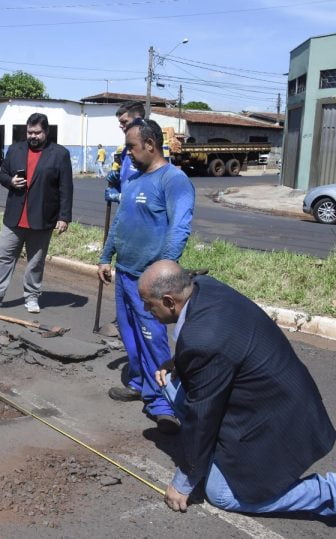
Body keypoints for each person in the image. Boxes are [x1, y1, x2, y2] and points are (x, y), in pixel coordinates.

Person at [138, 260, 336, 516]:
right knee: (170, 382)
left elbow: (202, 416)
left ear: (168, 301)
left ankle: (329, 492)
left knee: (222, 494)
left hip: (278, 418)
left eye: (148, 304)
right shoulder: (204, 287)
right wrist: (179, 361)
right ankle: (211, 452)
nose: (145, 309)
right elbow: (221, 342)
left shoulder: (202, 339)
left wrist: (184, 481)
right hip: (271, 393)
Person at [97, 118, 194, 433]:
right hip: (125, 275)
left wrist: (161, 273)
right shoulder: (135, 180)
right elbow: (119, 224)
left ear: (150, 145)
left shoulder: (173, 180)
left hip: (149, 281)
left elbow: (179, 228)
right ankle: (140, 383)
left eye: (131, 147)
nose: (127, 154)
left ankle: (165, 403)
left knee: (154, 341)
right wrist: (105, 257)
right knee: (131, 337)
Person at [0, 113, 73, 314]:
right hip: (14, 216)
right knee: (3, 257)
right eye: (30, 132)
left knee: (35, 262)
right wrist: (10, 181)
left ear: (46, 132)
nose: (33, 136)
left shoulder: (60, 154)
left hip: (42, 217)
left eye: (37, 132)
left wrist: (64, 217)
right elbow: (2, 174)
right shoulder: (15, 150)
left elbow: (66, 188)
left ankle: (31, 297)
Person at [104, 101, 145, 204]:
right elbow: (128, 180)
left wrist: (120, 197)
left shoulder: (147, 149)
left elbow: (148, 191)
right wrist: (118, 180)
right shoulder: (125, 150)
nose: (120, 126)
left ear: (138, 120)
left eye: (124, 122)